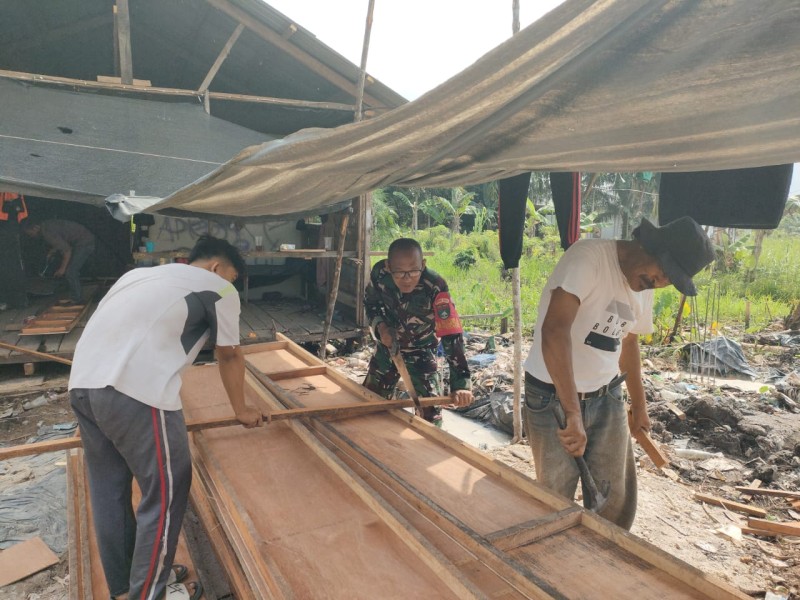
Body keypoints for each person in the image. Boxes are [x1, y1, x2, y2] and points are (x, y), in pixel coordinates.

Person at [68, 235, 263, 600]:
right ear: (217, 267)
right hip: (136, 392)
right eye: (232, 277)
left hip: (83, 385)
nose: (231, 285)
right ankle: (148, 593)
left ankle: (127, 586)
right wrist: (242, 410)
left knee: (109, 490)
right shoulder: (219, 288)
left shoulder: (137, 276)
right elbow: (229, 354)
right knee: (167, 495)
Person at [523, 217, 714, 529]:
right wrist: (572, 412)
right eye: (663, 272)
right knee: (554, 497)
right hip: (551, 396)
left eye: (670, 280)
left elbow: (628, 342)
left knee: (616, 499)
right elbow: (554, 331)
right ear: (648, 246)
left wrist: (639, 406)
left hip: (606, 393)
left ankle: (609, 553)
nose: (660, 282)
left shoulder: (645, 283)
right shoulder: (588, 259)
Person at [364, 237, 473, 425]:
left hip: (422, 352)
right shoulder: (379, 274)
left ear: (423, 264)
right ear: (388, 267)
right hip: (389, 348)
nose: (407, 279)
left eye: (414, 271)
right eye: (399, 272)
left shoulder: (435, 286)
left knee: (430, 417)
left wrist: (461, 384)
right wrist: (381, 327)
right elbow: (371, 304)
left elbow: (451, 334)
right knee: (368, 405)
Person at [22, 218, 95, 304]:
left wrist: (62, 269)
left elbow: (67, 250)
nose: (31, 236)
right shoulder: (47, 224)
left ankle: (77, 299)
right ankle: (74, 292)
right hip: (82, 239)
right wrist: (53, 251)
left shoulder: (47, 233)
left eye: (30, 233)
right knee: (69, 267)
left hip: (85, 243)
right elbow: (61, 239)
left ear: (35, 228)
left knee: (70, 271)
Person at [0, 192, 29, 309]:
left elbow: (13, 202)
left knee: (11, 264)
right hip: (8, 222)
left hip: (7, 223)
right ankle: (12, 300)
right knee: (9, 265)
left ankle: (16, 300)